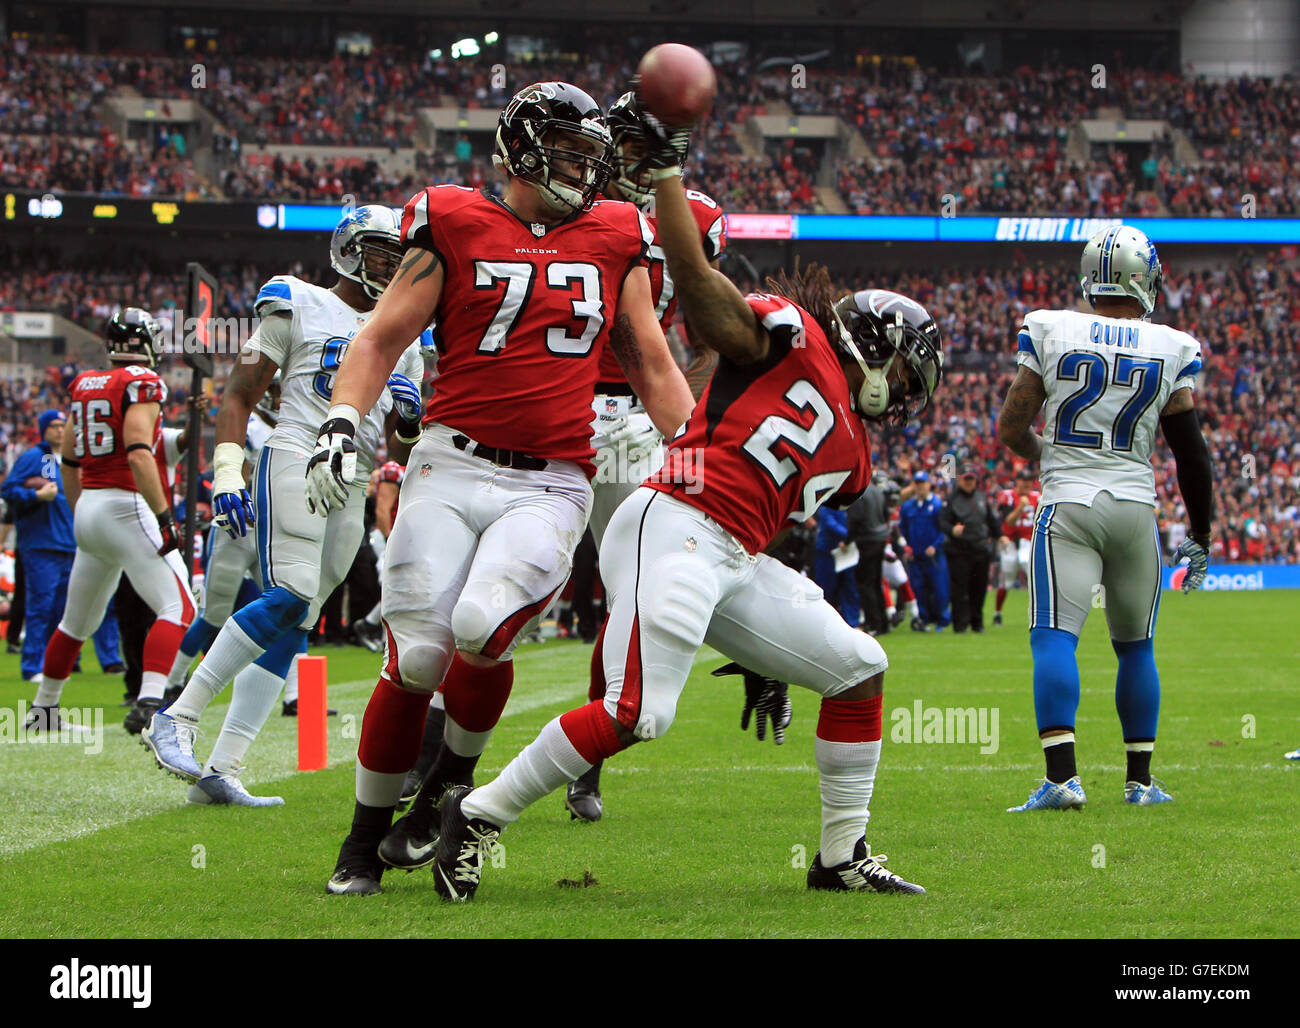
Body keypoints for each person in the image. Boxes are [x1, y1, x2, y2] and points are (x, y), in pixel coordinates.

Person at [423, 122, 943, 900]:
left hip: (736, 556)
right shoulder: (787, 336)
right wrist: (666, 177)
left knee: (859, 669)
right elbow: (703, 300)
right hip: (675, 522)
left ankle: (840, 856)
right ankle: (477, 817)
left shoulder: (855, 456)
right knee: (639, 711)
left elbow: (777, 523)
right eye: (905, 373)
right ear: (874, 338)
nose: (903, 394)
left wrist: (769, 658)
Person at [305, 83, 695, 894]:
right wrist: (343, 419)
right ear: (519, 147)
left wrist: (699, 459)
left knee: (483, 628)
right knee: (415, 657)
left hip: (551, 479)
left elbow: (652, 361)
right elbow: (381, 336)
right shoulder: (450, 218)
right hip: (448, 461)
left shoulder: (617, 231)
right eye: (572, 151)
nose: (587, 170)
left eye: (595, 156)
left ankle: (448, 786)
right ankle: (362, 839)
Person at [142, 204, 425, 806]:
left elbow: (402, 440)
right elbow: (240, 390)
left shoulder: (407, 331)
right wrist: (224, 472)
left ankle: (222, 769)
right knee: (290, 593)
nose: (393, 264)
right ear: (348, 249)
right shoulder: (296, 298)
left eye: (400, 255)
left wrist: (411, 416)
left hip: (357, 474)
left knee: (298, 619)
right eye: (382, 251)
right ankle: (177, 714)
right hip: (296, 449)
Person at [1000, 225, 1212, 811]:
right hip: (1134, 508)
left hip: (1068, 502)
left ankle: (1063, 780)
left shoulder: (1051, 327)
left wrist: (1053, 456)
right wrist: (1201, 533)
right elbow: (1191, 452)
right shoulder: (1172, 344)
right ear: (1145, 279)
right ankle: (1140, 782)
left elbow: (1011, 427)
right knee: (1137, 648)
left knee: (1054, 638)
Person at [27, 310, 195, 733]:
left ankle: (44, 708)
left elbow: (68, 461)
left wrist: (79, 508)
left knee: (76, 622)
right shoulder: (140, 381)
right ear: (145, 342)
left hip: (90, 508)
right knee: (180, 607)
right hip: (126, 505)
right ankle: (150, 703)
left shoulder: (84, 383)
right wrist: (163, 518)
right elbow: (139, 451)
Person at [161, 377, 279, 701]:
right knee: (214, 615)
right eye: (279, 394)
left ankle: (294, 695)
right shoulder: (251, 425)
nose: (284, 401)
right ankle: (172, 682)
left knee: (292, 608)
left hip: (273, 529)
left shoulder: (293, 424)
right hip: (237, 526)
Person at [939, 464, 999, 633]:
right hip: (959, 550)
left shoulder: (981, 497)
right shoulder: (951, 499)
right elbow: (942, 522)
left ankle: (977, 623)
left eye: (971, 479)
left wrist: (999, 534)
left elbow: (991, 520)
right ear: (960, 479)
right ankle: (960, 624)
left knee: (979, 589)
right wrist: (952, 530)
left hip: (980, 549)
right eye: (966, 479)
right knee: (959, 590)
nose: (969, 482)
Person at [898, 471, 950, 630]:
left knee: (939, 589)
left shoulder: (937, 504)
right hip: (916, 556)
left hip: (934, 556)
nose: (920, 486)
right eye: (917, 483)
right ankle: (923, 619)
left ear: (929, 485)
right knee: (918, 589)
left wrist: (935, 546)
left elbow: (943, 529)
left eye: (923, 483)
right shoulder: (907, 507)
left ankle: (942, 619)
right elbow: (903, 529)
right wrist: (906, 546)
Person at [847, 472, 894, 635]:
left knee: (865, 585)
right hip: (879, 539)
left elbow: (856, 520)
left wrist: (847, 541)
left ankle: (873, 622)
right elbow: (886, 515)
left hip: (866, 541)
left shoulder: (859, 493)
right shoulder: (877, 491)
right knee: (875, 583)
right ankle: (883, 622)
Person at [993, 467, 1039, 625]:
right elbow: (1008, 521)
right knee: (1007, 580)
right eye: (1023, 480)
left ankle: (1039, 613)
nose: (1026, 484)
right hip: (1010, 541)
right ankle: (997, 613)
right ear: (1017, 481)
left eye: (1029, 481)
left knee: (1032, 572)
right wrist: (1021, 507)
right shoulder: (1008, 496)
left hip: (1029, 540)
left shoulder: (1037, 497)